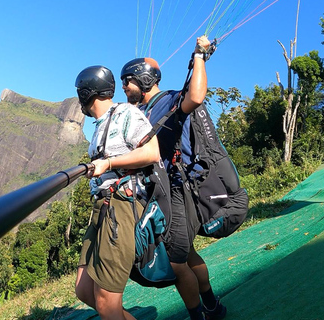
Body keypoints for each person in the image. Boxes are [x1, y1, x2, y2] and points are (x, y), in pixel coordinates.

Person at [120, 36, 227, 320]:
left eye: (127, 81)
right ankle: (213, 306)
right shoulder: (137, 112)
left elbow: (195, 97)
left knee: (177, 260)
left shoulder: (168, 100)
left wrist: (199, 57)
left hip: (176, 191)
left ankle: (199, 316)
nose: (123, 87)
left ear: (143, 80)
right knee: (187, 254)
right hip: (158, 191)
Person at [74, 65, 160, 320]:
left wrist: (109, 163)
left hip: (122, 205)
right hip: (102, 206)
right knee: (84, 290)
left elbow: (152, 152)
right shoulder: (100, 125)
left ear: (87, 93)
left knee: (106, 301)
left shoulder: (125, 113)